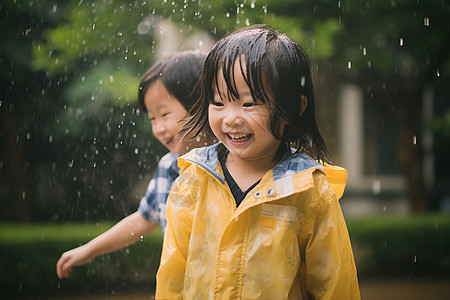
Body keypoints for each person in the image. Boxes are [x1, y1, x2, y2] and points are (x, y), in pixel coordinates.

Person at [155, 25, 361, 299]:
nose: (230, 118)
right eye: (218, 102)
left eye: (249, 104)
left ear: (294, 108)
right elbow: (173, 273)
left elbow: (335, 284)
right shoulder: (194, 179)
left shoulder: (308, 191)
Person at [56, 50, 211, 279]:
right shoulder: (169, 168)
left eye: (165, 113)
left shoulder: (235, 163)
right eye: (152, 118)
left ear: (200, 103)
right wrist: (89, 250)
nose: (158, 128)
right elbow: (143, 219)